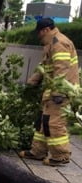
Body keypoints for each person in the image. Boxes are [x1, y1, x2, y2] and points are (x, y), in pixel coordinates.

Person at [19, 18, 80, 166]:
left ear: (46, 30)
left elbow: (62, 69)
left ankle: (61, 156)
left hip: (61, 92)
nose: (39, 37)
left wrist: (58, 93)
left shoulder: (59, 43)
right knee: (42, 122)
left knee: (54, 123)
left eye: (39, 33)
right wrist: (31, 82)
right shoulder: (50, 44)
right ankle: (38, 151)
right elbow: (44, 67)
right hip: (52, 91)